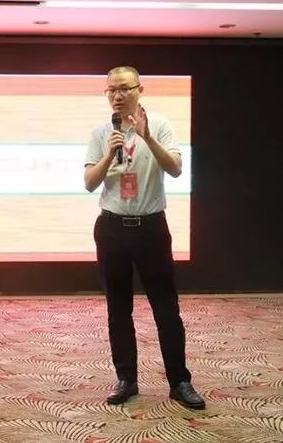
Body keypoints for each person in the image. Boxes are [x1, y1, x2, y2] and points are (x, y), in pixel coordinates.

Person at [83, 66, 205, 410]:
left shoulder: (160, 126)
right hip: (112, 229)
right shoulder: (101, 133)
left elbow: (176, 169)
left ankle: (179, 382)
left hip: (151, 229)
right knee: (118, 309)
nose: (117, 96)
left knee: (166, 308)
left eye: (124, 88)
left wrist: (147, 137)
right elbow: (90, 183)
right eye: (111, 90)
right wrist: (109, 154)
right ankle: (126, 379)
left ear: (140, 90)